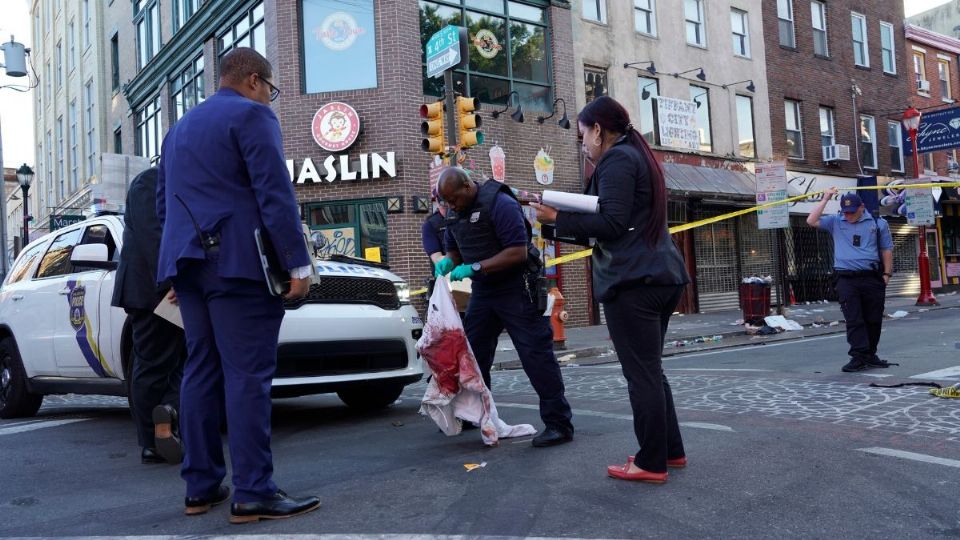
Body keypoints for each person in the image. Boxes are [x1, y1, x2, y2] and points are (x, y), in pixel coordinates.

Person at [156, 47, 320, 523]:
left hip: (188, 264)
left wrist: (172, 270)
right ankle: (253, 491)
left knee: (201, 369)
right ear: (253, 80)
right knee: (247, 374)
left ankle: (200, 487)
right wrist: (298, 264)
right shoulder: (253, 116)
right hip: (236, 263)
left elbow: (164, 207)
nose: (270, 97)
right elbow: (274, 193)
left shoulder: (177, 130)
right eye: (271, 88)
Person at [531, 95, 689, 484]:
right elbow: (615, 221)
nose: (582, 143)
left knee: (641, 375)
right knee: (650, 370)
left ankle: (651, 462)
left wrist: (558, 217)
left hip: (634, 282)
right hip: (657, 275)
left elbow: (613, 223)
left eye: (583, 135)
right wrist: (557, 223)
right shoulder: (636, 155)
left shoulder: (617, 159)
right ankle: (669, 451)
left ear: (598, 130)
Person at [435, 167, 574, 447]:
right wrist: (450, 260)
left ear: (467, 186)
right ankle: (477, 415)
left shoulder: (501, 203)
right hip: (484, 291)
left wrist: (475, 266)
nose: (451, 206)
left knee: (535, 354)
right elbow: (454, 247)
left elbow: (517, 251)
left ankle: (559, 424)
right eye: (446, 202)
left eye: (454, 199)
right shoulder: (453, 212)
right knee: (473, 355)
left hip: (516, 287)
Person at [110, 166, 186, 466]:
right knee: (153, 363)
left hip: (171, 287)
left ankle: (167, 419)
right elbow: (152, 234)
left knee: (183, 360)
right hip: (154, 290)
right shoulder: (148, 181)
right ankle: (151, 442)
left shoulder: (176, 181)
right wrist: (173, 278)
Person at [807, 188, 894, 373]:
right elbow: (811, 220)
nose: (848, 215)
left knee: (873, 318)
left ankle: (870, 354)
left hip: (872, 277)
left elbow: (887, 249)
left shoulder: (878, 223)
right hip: (846, 278)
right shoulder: (835, 222)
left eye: (852, 212)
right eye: (845, 212)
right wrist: (826, 198)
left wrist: (887, 274)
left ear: (862, 207)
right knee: (854, 319)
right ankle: (858, 356)